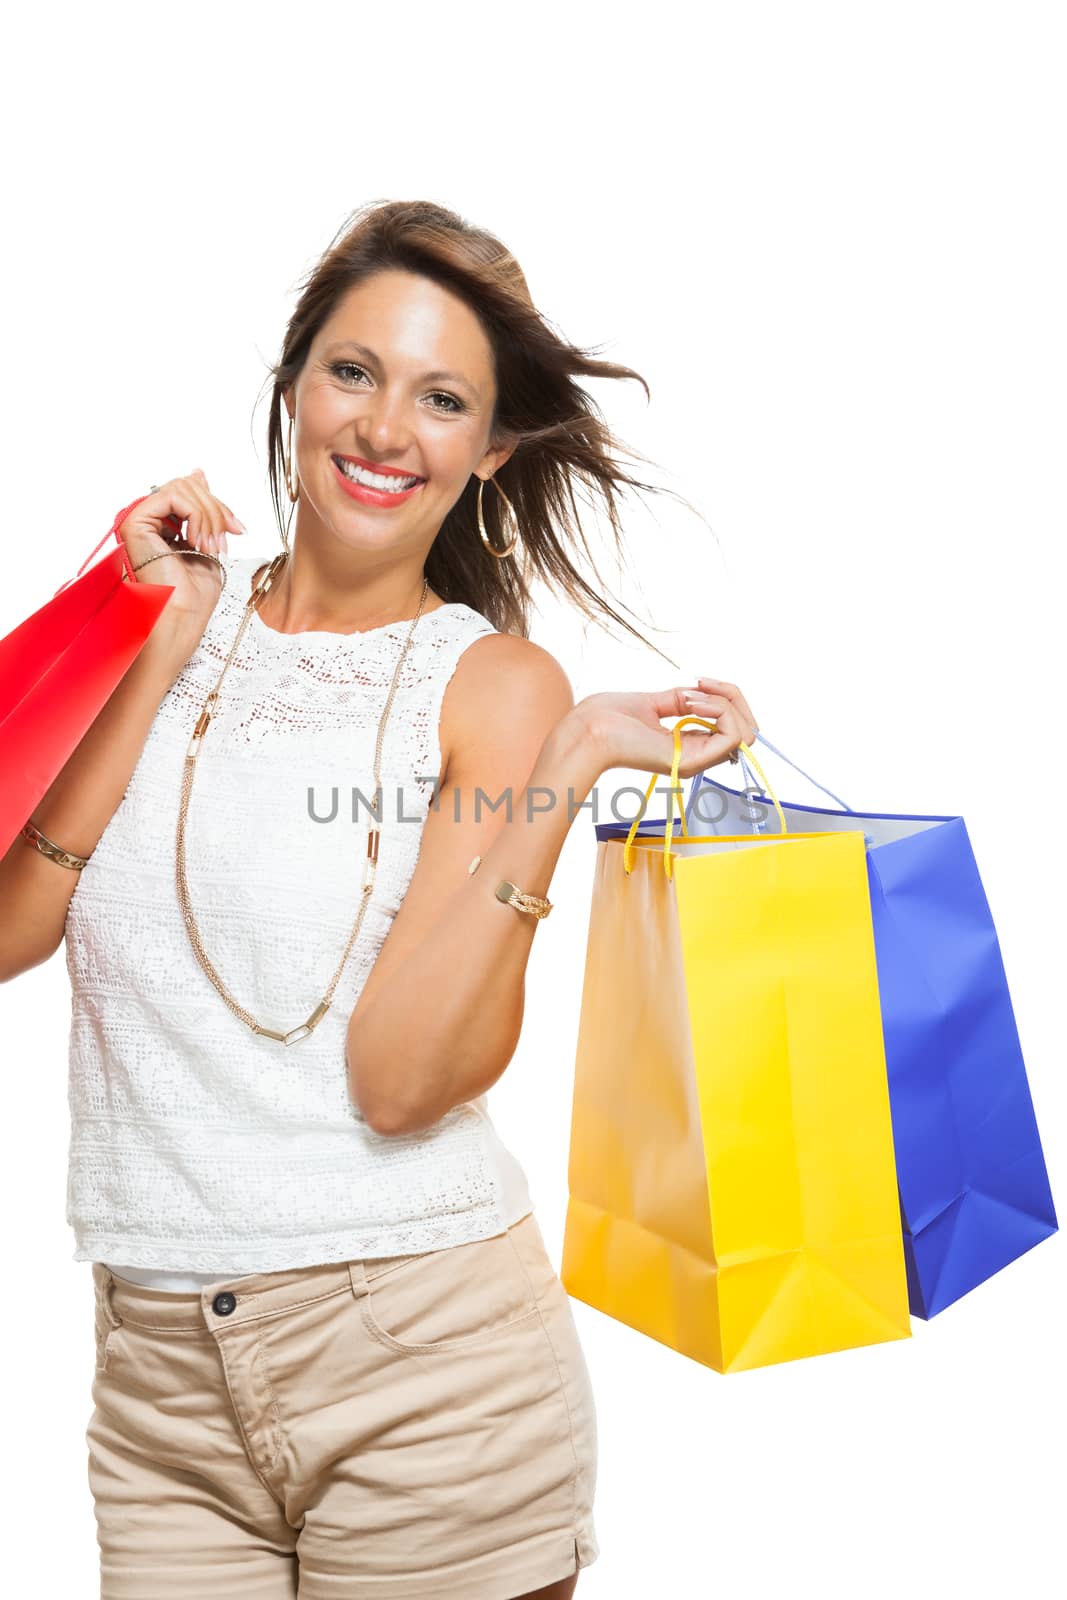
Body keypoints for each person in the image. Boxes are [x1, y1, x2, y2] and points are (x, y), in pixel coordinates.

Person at [0, 198, 758, 1599]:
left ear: (492, 448)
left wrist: (576, 757)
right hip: (159, 1394)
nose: (386, 428)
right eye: (354, 372)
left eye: (444, 398)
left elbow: (405, 1081)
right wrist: (158, 642)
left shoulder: (496, 691)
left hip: (426, 1377)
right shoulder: (158, 608)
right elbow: (6, 933)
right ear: (294, 384)